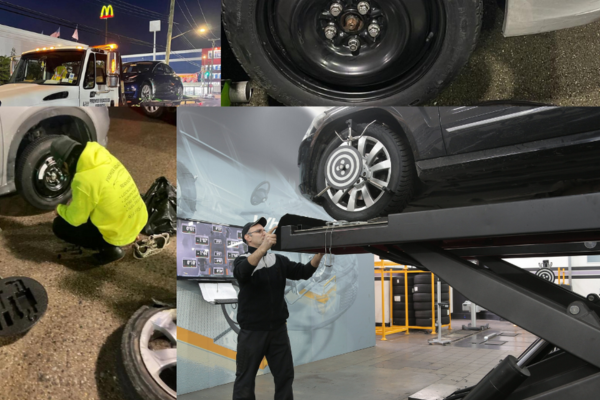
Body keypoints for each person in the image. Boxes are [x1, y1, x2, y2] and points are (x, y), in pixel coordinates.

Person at [233, 217, 324, 400]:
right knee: (245, 378)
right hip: (253, 331)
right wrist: (263, 248)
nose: (264, 233)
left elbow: (304, 272)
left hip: (278, 329)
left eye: (264, 230)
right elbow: (242, 273)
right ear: (247, 238)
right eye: (259, 231)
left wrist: (319, 254)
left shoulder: (279, 260)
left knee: (284, 376)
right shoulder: (242, 260)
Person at [50, 136, 148, 265]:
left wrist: (60, 209)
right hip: (138, 219)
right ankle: (129, 233)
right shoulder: (104, 158)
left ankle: (110, 250)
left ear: (65, 163)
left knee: (59, 225)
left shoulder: (83, 179)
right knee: (99, 203)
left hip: (119, 232)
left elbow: (76, 218)